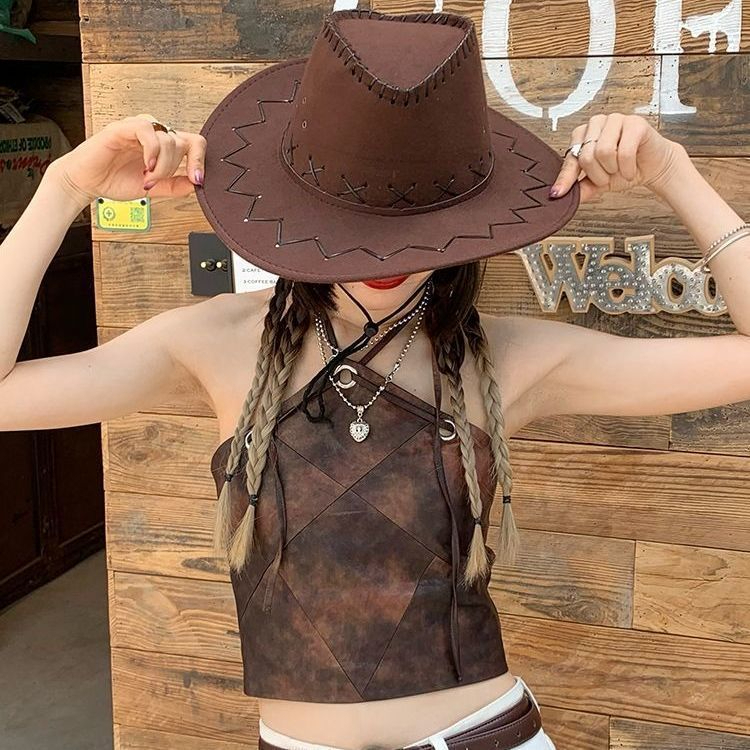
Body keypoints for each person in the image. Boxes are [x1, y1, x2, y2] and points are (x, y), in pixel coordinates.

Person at [2, 9, 750, 750]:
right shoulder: (216, 344)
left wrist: (672, 173)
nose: (384, 255)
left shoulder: (507, 358)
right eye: (356, 221)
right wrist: (64, 187)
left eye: (412, 225)